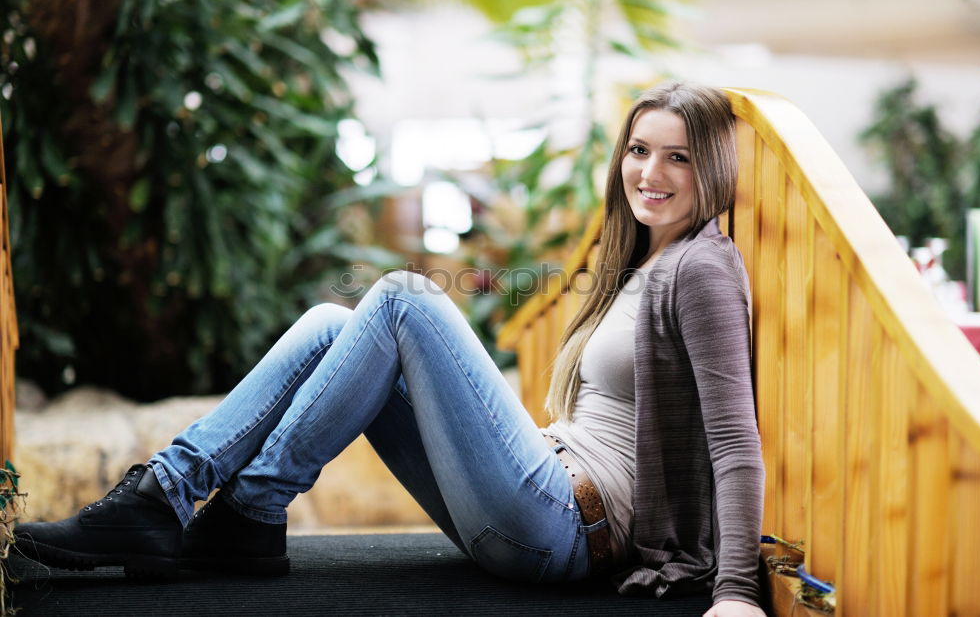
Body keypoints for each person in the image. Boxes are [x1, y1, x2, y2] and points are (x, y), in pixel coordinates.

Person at [14, 81, 765, 616]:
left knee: (406, 297)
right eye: (640, 150)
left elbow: (734, 441)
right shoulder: (637, 261)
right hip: (541, 497)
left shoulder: (700, 269)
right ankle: (168, 493)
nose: (649, 173)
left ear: (715, 171)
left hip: (567, 527)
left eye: (679, 158)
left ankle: (246, 506)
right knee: (328, 324)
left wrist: (735, 593)